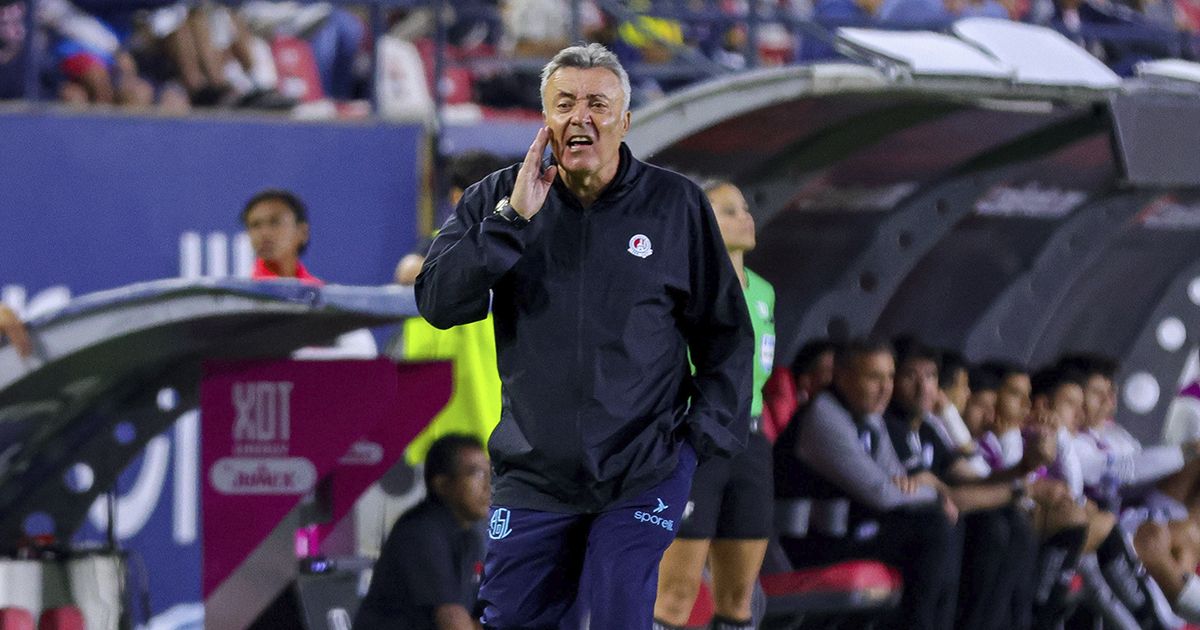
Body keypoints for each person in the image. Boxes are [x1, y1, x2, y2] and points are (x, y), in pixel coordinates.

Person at [414, 43, 754, 629]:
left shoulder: (675, 204)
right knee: (511, 619)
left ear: (625, 121)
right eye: (565, 103)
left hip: (642, 470)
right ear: (545, 119)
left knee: (617, 608)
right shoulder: (497, 198)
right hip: (533, 475)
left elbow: (726, 333)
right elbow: (438, 303)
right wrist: (512, 221)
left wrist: (697, 443)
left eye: (598, 104)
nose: (581, 117)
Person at [654, 180, 774, 630]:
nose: (746, 217)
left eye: (744, 207)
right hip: (694, 440)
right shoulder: (682, 286)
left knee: (739, 599)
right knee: (675, 595)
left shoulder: (764, 292)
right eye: (729, 211)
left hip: (750, 442)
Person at [773, 339, 958, 630]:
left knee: (939, 524)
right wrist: (934, 495)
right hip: (803, 548)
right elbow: (883, 493)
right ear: (842, 376)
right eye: (873, 377)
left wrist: (918, 493)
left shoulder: (869, 415)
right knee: (932, 527)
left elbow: (896, 477)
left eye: (890, 377)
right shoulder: (823, 415)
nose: (886, 388)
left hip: (847, 534)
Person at [354, 434, 491, 630]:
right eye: (475, 473)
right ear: (442, 484)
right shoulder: (420, 532)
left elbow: (483, 615)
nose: (488, 485)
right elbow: (452, 619)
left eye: (489, 472)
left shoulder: (472, 535)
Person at [240, 189, 319, 284]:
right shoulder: (239, 291)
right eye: (255, 225)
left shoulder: (319, 290)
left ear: (302, 232)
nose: (264, 233)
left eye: (275, 222)